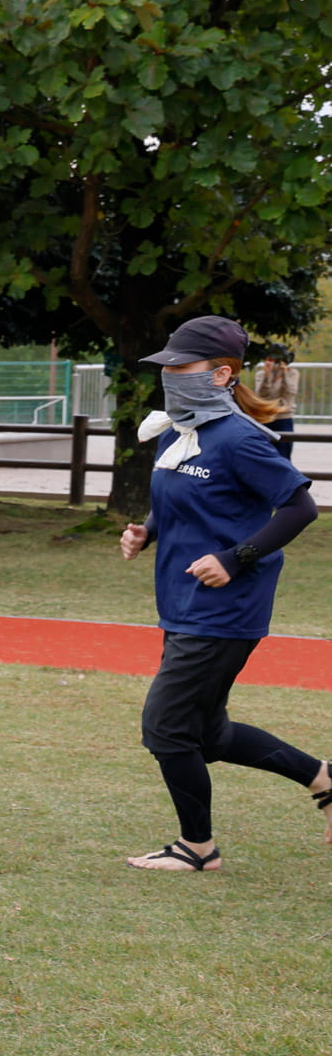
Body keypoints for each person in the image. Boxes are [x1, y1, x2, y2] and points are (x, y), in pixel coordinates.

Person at [118, 315, 332, 871]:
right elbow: (175, 504)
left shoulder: (239, 438)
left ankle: (198, 848)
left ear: (221, 375)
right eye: (165, 364)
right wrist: (146, 530)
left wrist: (236, 560)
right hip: (181, 601)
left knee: (165, 729)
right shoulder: (178, 431)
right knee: (206, 735)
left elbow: (300, 508)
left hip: (226, 608)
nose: (168, 374)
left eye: (180, 365)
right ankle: (325, 779)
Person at [253, 347, 299, 463]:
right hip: (266, 417)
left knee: (284, 456)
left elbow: (290, 392)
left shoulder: (292, 373)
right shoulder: (261, 374)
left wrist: (285, 375)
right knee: (264, 456)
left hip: (284, 417)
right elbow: (261, 394)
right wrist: (267, 376)